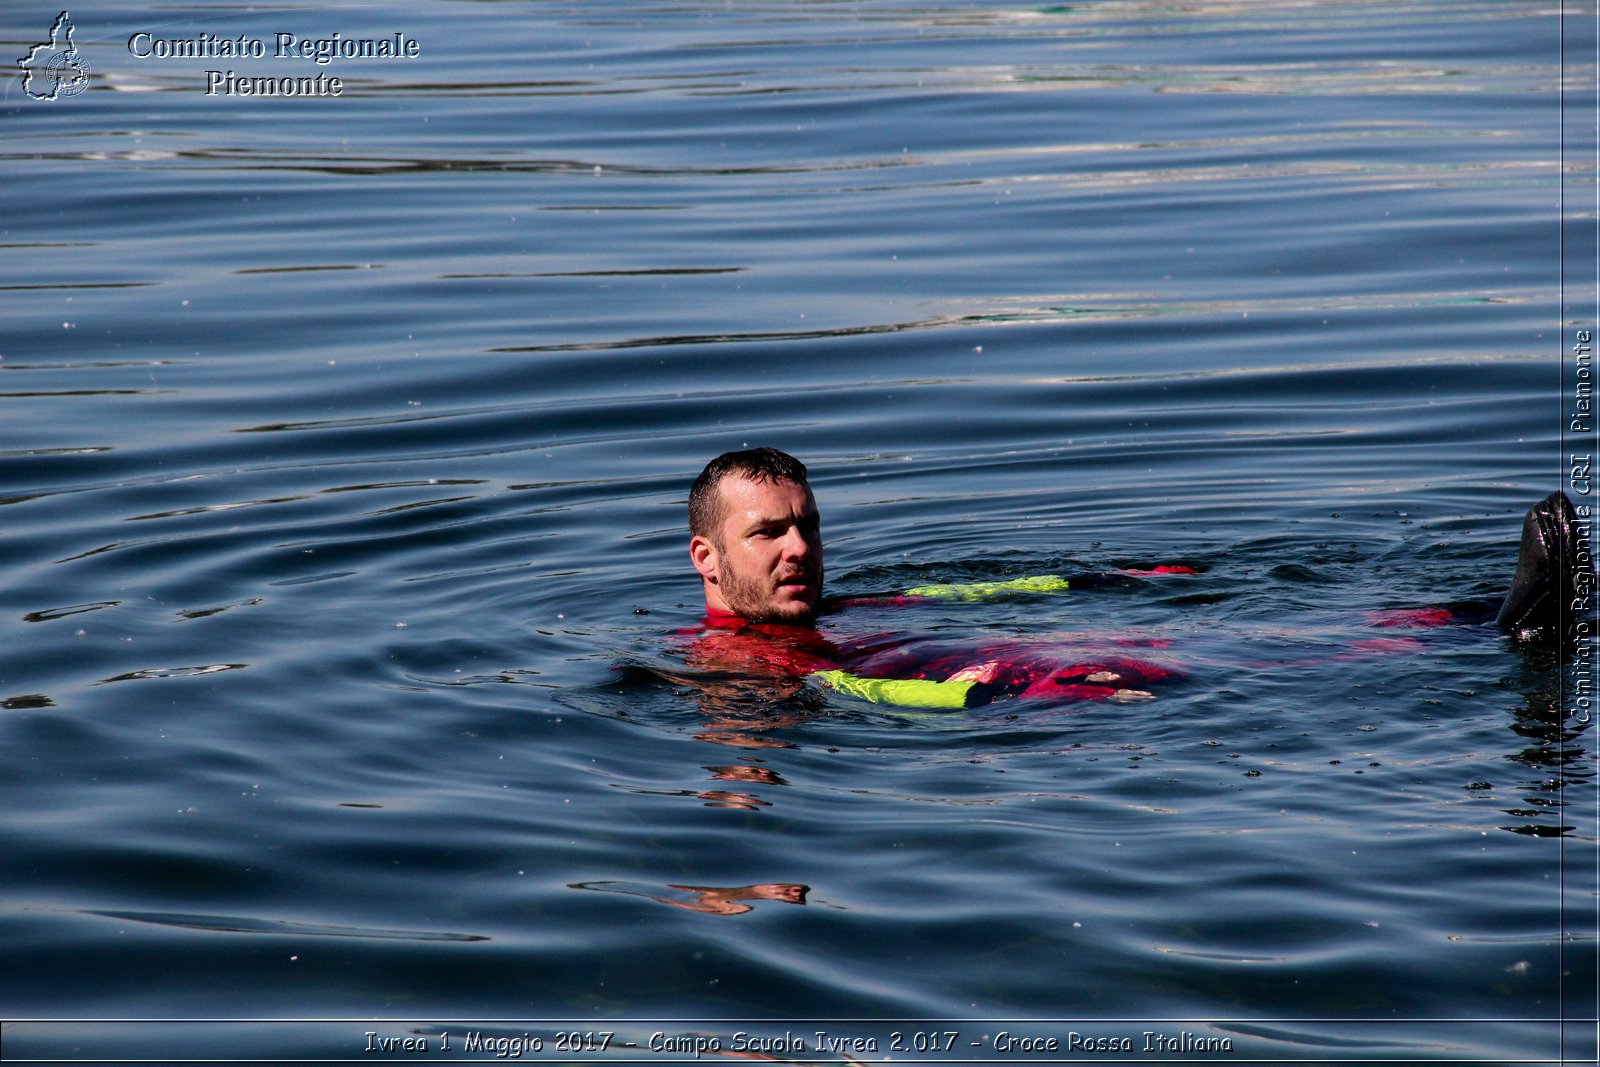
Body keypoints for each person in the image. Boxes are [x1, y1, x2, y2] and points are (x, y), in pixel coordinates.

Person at [684, 448, 1592, 712]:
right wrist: (974, 692)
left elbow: (957, 597)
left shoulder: (839, 604)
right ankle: (1513, 633)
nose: (796, 547)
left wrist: (1105, 577)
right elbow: (845, 685)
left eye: (806, 525)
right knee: (1253, 663)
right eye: (767, 533)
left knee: (1241, 636)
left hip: (1040, 649)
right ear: (710, 559)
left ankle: (1483, 614)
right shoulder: (735, 665)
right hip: (1036, 686)